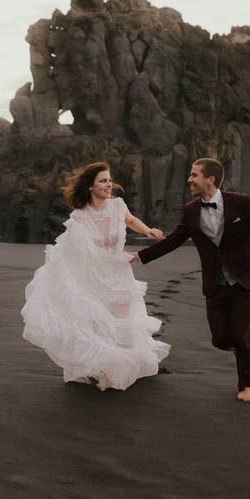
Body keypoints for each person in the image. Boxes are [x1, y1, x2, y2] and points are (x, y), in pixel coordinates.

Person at [131, 158, 250, 402]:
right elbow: (173, 241)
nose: (189, 179)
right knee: (220, 338)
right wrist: (140, 256)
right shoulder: (190, 211)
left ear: (211, 179)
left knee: (241, 333)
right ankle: (240, 345)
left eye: (194, 175)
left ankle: (246, 386)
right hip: (215, 283)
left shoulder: (241, 204)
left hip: (245, 280)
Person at [21, 161, 170, 390]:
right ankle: (105, 367)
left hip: (120, 274)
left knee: (121, 325)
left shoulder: (118, 205)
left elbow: (130, 221)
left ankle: (117, 372)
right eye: (102, 180)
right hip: (95, 276)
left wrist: (149, 231)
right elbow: (73, 251)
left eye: (109, 180)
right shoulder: (80, 217)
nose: (108, 184)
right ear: (90, 186)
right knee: (100, 326)